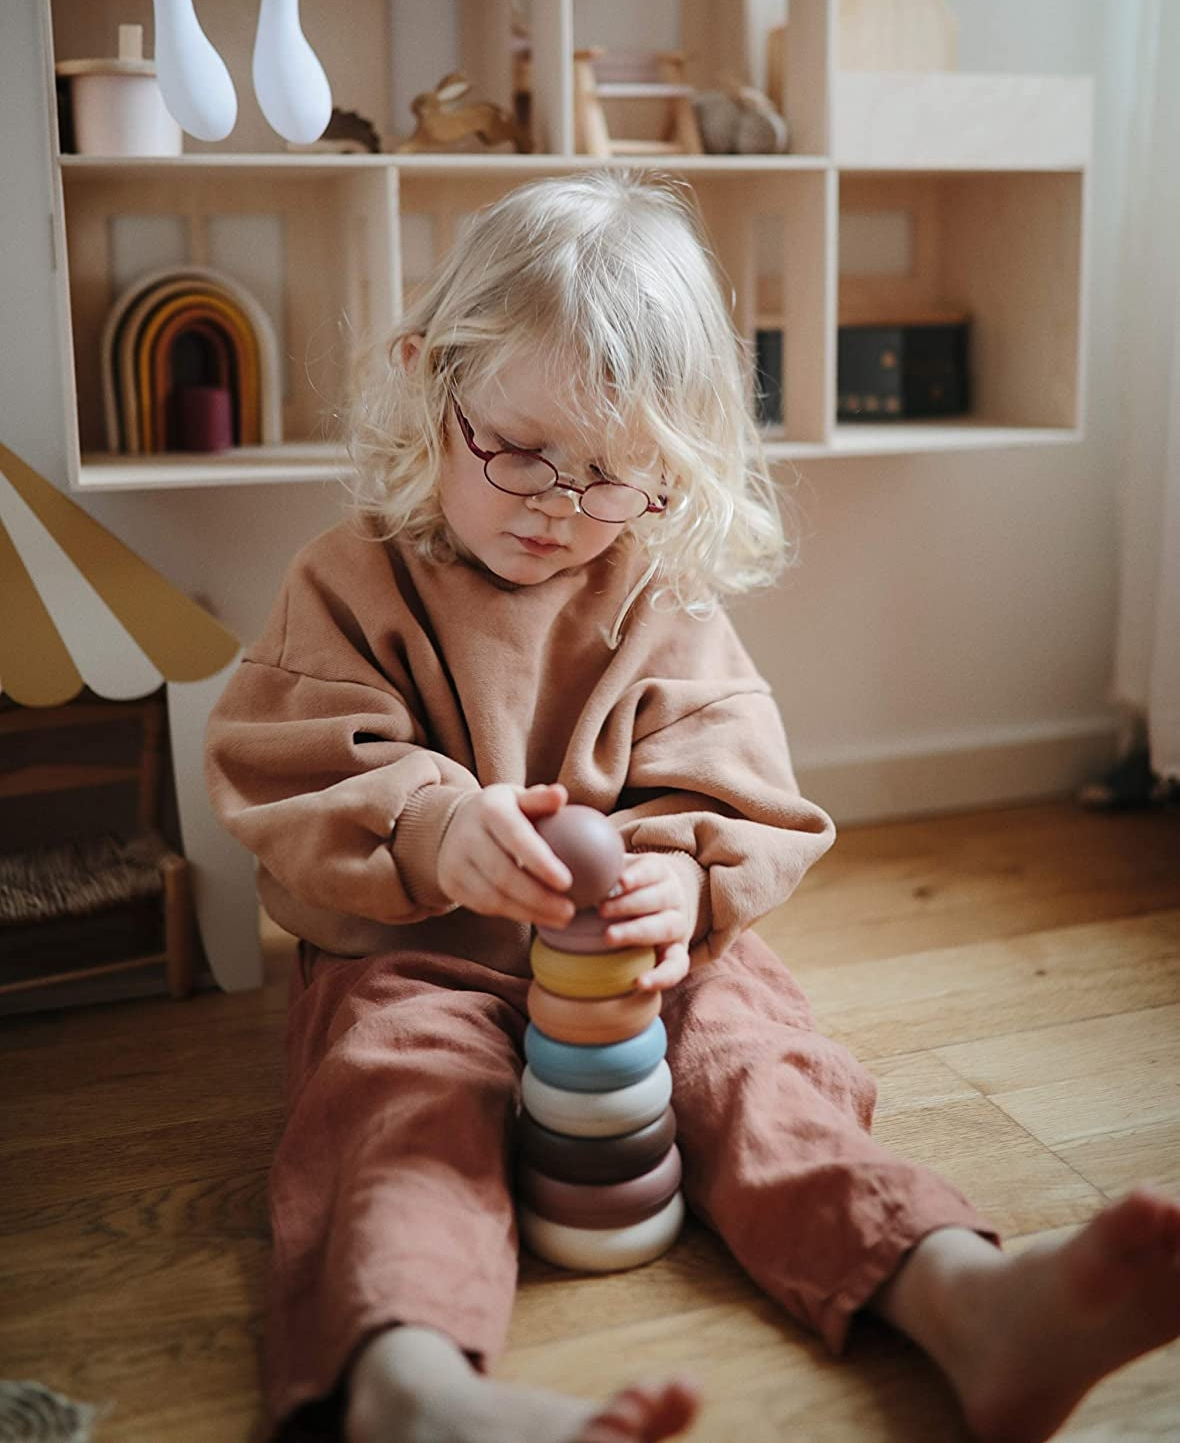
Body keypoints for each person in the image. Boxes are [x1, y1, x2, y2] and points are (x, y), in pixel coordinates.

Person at [205, 170, 1180, 1443]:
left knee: (760, 1066)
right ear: (426, 381)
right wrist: (440, 829)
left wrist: (683, 876)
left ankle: (964, 1297)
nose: (560, 508)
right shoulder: (348, 582)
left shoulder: (655, 596)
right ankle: (412, 1384)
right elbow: (289, 767)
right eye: (519, 451)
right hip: (417, 960)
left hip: (643, 968)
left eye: (614, 473)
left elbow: (739, 786)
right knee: (397, 1110)